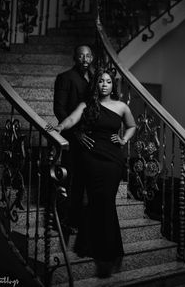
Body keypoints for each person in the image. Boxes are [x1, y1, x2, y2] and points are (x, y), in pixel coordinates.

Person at [47, 68, 136, 277]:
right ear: (95, 84)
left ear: (112, 85)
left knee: (106, 199)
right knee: (97, 200)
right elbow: (70, 120)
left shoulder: (121, 106)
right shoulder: (86, 105)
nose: (105, 84)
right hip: (91, 158)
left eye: (108, 82)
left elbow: (132, 126)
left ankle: (104, 247)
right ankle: (99, 247)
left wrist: (123, 140)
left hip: (113, 159)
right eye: (101, 81)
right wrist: (59, 127)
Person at [53, 44, 94, 230]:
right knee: (70, 179)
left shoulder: (95, 79)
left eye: (88, 56)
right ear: (74, 58)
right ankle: (63, 221)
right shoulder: (65, 78)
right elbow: (59, 109)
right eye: (81, 56)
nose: (85, 59)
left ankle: (80, 220)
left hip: (92, 138)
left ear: (92, 58)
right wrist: (75, 132)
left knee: (85, 181)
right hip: (73, 137)